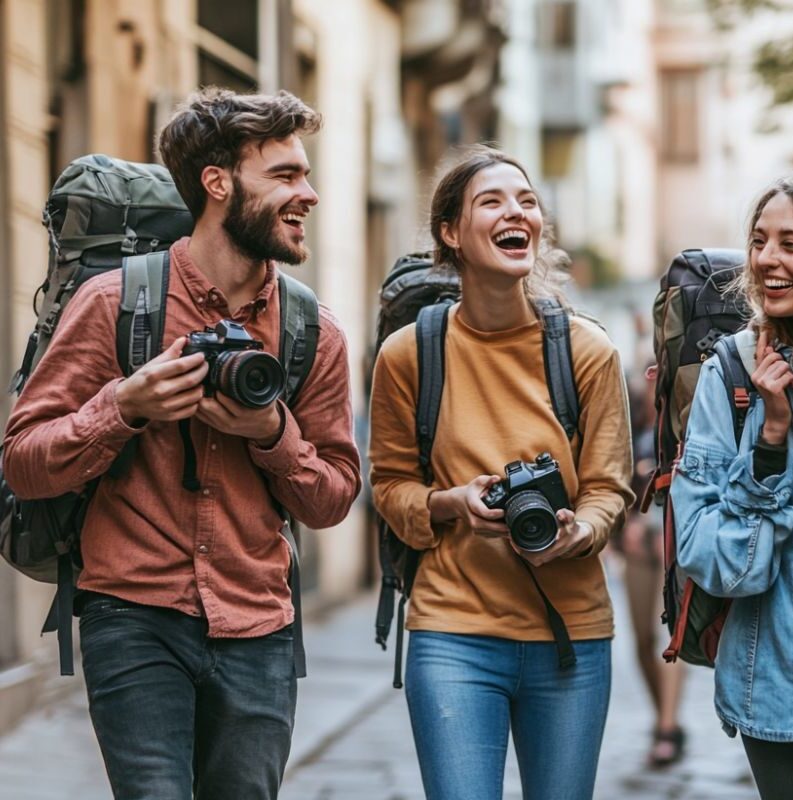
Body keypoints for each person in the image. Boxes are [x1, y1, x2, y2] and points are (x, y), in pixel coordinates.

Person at [2, 87, 361, 800]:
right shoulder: (114, 303)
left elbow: (332, 500)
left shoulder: (311, 331)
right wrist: (123, 407)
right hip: (131, 616)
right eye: (285, 174)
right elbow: (24, 463)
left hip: (257, 626)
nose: (309, 193)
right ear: (218, 183)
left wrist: (272, 433)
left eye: (306, 173)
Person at [369, 145, 633, 800]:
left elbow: (608, 487)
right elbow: (389, 486)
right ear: (450, 233)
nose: (517, 212)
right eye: (492, 202)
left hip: (570, 634)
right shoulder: (409, 353)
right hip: (452, 632)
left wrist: (579, 532)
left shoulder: (587, 351)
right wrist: (451, 502)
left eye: (527, 201)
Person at [670, 167, 793, 800]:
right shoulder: (729, 372)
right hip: (776, 690)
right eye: (759, 241)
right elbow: (716, 563)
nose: (767, 260)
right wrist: (770, 441)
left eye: (791, 243)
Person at [617, 365, 688, 768]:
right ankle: (662, 714)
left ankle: (668, 726)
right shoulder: (630, 424)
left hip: (672, 538)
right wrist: (624, 525)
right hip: (636, 542)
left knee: (670, 637)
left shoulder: (682, 422)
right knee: (642, 639)